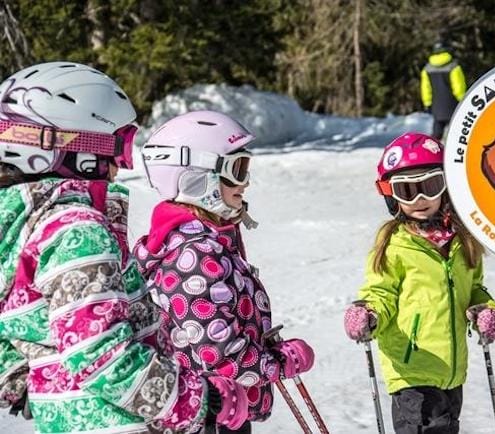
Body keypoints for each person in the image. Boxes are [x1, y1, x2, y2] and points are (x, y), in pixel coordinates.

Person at [0, 62, 249, 434]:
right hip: (118, 421)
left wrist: (22, 378)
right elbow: (104, 354)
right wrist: (198, 400)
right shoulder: (76, 232)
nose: (122, 163)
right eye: (121, 144)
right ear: (73, 148)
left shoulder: (19, 225)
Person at [133, 111, 315, 434]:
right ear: (194, 178)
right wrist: (276, 364)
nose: (244, 184)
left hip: (223, 409)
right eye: (236, 171)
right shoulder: (194, 254)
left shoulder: (210, 241)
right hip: (208, 414)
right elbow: (216, 352)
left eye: (245, 168)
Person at [343, 132, 495, 434]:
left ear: (446, 186)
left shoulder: (462, 241)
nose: (419, 199)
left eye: (429, 185)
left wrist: (486, 309)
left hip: (452, 372)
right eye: (407, 190)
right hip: (412, 373)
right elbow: (381, 292)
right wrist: (369, 313)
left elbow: (474, 288)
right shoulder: (394, 244)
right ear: (392, 196)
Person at [420, 40, 467, 139]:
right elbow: (458, 87)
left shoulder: (427, 69)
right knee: (455, 135)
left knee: (436, 135)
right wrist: (462, 100)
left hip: (436, 107)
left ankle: (432, 152)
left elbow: (426, 88)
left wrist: (427, 103)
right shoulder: (454, 67)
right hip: (453, 106)